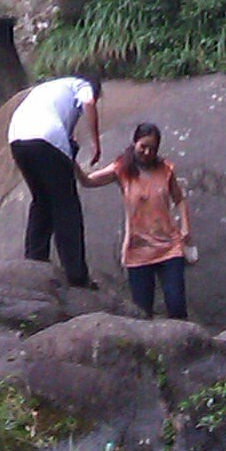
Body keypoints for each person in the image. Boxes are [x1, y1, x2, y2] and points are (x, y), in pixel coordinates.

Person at [82, 121, 193, 319]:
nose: (147, 152)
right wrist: (69, 162)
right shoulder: (122, 169)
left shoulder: (165, 169)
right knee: (142, 313)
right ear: (134, 143)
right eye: (143, 146)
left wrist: (185, 226)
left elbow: (179, 199)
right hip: (138, 249)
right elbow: (89, 181)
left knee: (176, 305)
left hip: (169, 246)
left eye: (153, 148)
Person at [7, 72, 101, 289]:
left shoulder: (49, 88)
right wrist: (96, 143)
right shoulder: (82, 85)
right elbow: (88, 102)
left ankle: (35, 259)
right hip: (46, 136)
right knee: (66, 205)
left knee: (41, 199)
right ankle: (76, 274)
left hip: (17, 138)